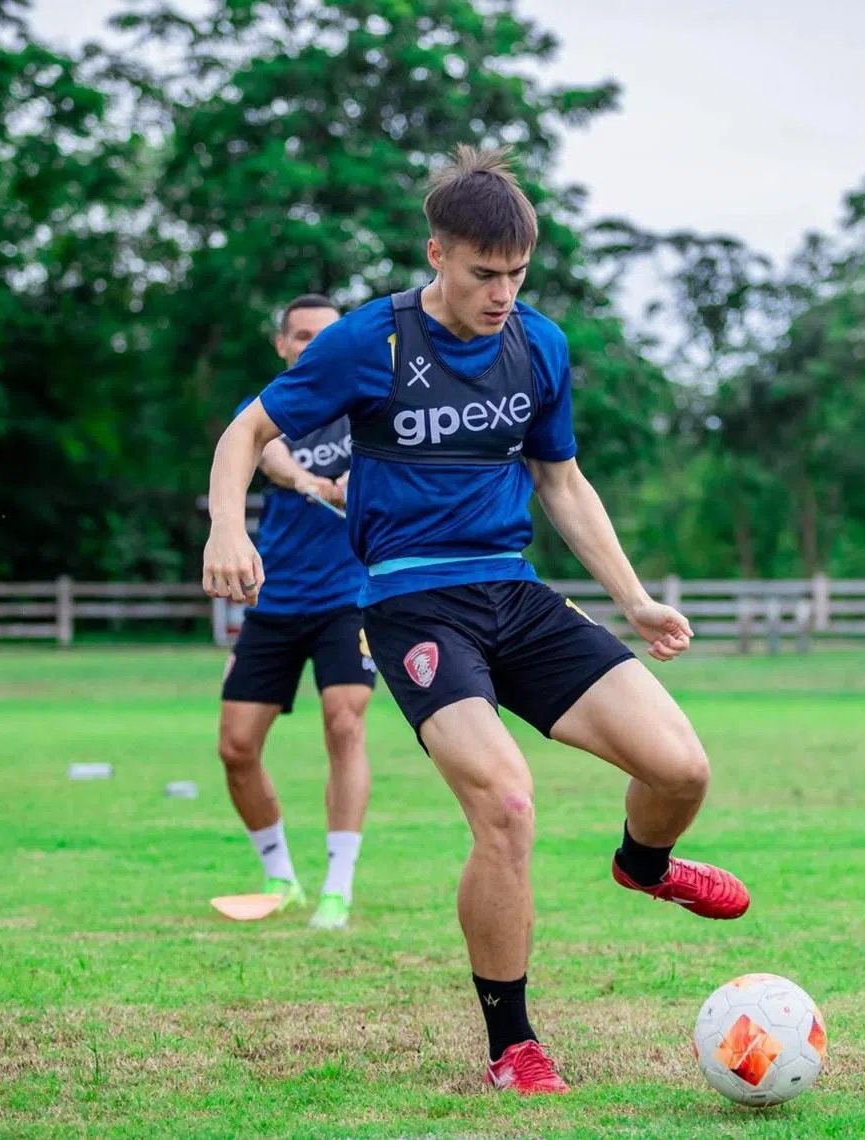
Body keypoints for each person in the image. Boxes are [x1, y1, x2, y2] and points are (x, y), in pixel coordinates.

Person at [203, 148, 749, 1091]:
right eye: (484, 273)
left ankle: (645, 863)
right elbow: (247, 429)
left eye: (517, 274)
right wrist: (226, 528)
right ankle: (513, 1045)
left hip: (513, 592)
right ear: (438, 254)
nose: (502, 294)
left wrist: (634, 599)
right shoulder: (370, 342)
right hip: (410, 603)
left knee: (681, 767)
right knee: (507, 806)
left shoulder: (538, 344)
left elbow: (560, 480)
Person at [217, 294, 375, 931]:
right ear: (282, 345)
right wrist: (308, 481)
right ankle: (280, 876)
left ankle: (338, 886)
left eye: (325, 335)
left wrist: (363, 477)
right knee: (236, 747)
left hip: (349, 599)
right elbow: (266, 452)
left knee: (344, 724)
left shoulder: (368, 403)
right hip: (275, 599)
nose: (313, 346)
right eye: (301, 336)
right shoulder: (267, 407)